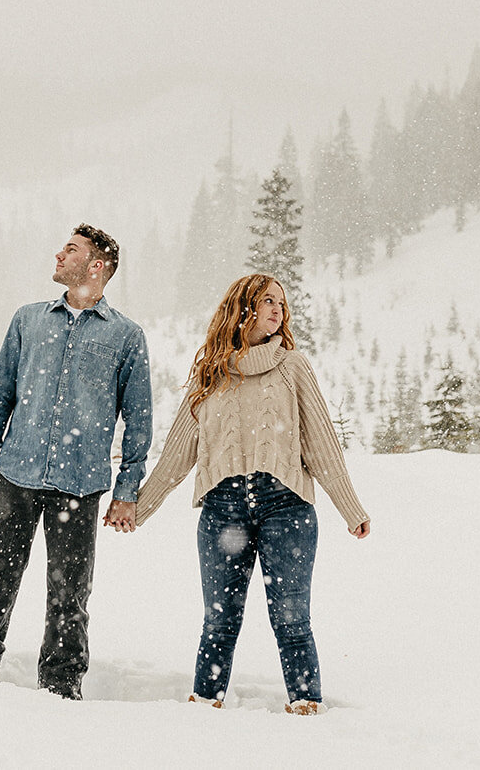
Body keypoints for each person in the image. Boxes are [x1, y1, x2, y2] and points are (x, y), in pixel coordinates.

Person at [129, 273, 369, 715]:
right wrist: (137, 509)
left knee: (292, 620)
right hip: (223, 511)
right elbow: (179, 451)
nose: (278, 310)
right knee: (219, 619)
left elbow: (321, 443)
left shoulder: (292, 365)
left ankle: (306, 706)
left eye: (282, 302)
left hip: (287, 507)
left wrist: (349, 507)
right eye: (267, 301)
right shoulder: (210, 373)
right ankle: (204, 705)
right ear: (243, 310)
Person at [0, 224, 152, 700]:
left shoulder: (126, 337)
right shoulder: (28, 320)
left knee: (70, 596)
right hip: (16, 476)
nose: (58, 254)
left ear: (96, 266)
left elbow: (139, 420)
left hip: (79, 484)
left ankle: (62, 690)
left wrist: (128, 490)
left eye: (71, 250)